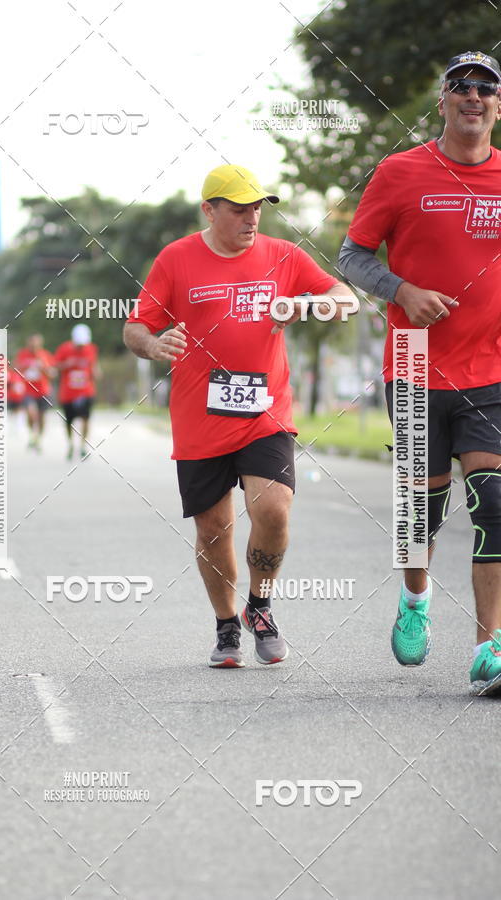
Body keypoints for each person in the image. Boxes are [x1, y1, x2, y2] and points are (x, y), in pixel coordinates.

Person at [124, 163, 357, 668]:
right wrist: (153, 341)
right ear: (209, 210)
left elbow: (346, 298)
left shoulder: (283, 256)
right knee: (213, 529)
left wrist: (308, 307)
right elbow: (136, 326)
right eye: (239, 209)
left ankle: (262, 604)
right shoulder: (176, 259)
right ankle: (227, 624)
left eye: (257, 207)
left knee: (273, 509)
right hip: (199, 417)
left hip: (265, 412)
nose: (252, 218)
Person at [339, 51, 501, 695]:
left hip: (489, 369)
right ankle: (415, 602)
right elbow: (353, 255)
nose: (473, 96)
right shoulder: (400, 172)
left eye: (486, 88)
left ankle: (491, 647)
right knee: (420, 513)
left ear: (498, 105)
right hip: (413, 368)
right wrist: (402, 290)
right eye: (461, 87)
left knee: (494, 502)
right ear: (442, 102)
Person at [54, 324, 100, 459]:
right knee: (69, 421)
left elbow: (94, 366)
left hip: (86, 391)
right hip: (68, 393)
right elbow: (55, 367)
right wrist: (67, 364)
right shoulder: (64, 349)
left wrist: (97, 373)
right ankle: (70, 444)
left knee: (86, 418)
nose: (81, 347)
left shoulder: (91, 349)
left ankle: (83, 445)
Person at [14, 334, 54, 452]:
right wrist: (24, 366)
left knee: (41, 416)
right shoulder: (23, 354)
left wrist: (43, 367)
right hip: (28, 390)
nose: (33, 347)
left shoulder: (45, 355)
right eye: (31, 344)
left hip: (43, 390)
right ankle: (32, 434)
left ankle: (38, 438)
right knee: (31, 413)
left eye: (36, 344)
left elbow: (52, 373)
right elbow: (15, 368)